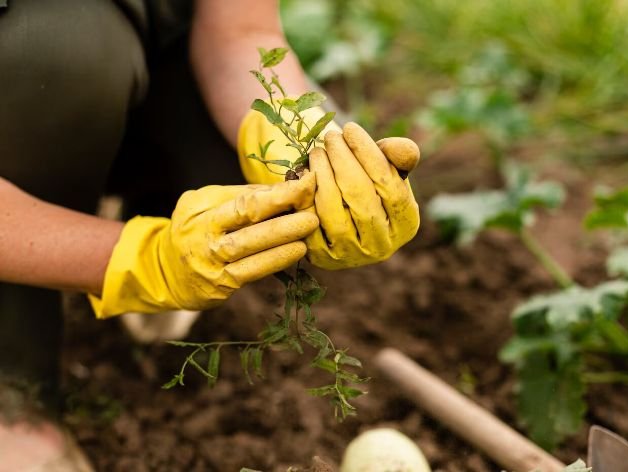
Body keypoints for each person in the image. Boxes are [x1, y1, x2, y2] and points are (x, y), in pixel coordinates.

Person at [0, 0, 420, 469]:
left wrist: (291, 154)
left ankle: (144, 201)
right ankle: (13, 396)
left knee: (281, 157)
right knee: (56, 52)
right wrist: (137, 258)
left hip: (146, 58)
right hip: (36, 74)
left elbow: (240, 28)